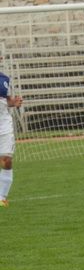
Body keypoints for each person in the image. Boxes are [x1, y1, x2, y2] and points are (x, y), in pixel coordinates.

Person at [0, 71, 22, 208]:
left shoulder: (4, 78)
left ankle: (1, 197)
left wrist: (14, 102)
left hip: (3, 124)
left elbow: (6, 101)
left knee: (6, 160)